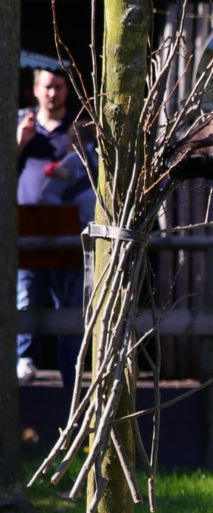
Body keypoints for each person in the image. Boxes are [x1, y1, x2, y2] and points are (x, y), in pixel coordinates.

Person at [15, 67, 92, 387]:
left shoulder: (80, 128)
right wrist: (20, 142)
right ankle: (23, 360)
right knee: (26, 293)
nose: (52, 93)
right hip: (27, 223)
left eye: (58, 87)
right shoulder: (21, 124)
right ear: (35, 90)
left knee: (70, 299)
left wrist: (82, 147)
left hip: (68, 225)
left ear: (66, 91)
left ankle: (70, 369)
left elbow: (95, 169)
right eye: (47, 87)